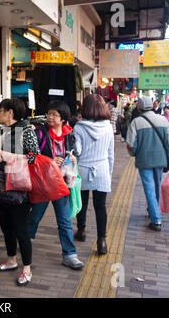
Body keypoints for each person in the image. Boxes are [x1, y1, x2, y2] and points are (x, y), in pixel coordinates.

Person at [28, 100, 84, 270]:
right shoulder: (39, 133)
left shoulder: (70, 135)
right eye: (49, 113)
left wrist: (74, 159)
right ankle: (25, 241)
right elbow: (32, 156)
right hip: (44, 183)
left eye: (54, 115)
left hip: (62, 184)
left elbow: (76, 154)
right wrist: (51, 161)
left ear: (63, 118)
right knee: (34, 217)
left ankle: (69, 255)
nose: (50, 117)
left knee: (64, 221)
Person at [0, 98, 40, 287]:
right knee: (6, 228)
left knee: (21, 230)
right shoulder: (2, 132)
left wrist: (7, 156)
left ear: (10, 112)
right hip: (1, 188)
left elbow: (34, 156)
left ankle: (26, 269)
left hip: (19, 191)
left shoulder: (26, 131)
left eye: (0, 111)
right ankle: (12, 260)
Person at [73, 94, 114, 255]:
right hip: (102, 169)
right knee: (100, 206)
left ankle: (81, 231)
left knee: (81, 203)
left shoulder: (79, 127)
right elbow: (111, 153)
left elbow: (78, 151)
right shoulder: (108, 127)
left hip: (83, 169)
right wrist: (109, 172)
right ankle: (101, 240)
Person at [126, 97, 169, 231]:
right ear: (152, 106)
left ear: (138, 108)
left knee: (149, 188)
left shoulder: (136, 122)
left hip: (144, 160)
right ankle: (153, 211)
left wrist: (135, 154)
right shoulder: (163, 120)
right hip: (160, 159)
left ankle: (156, 220)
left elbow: (131, 145)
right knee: (156, 186)